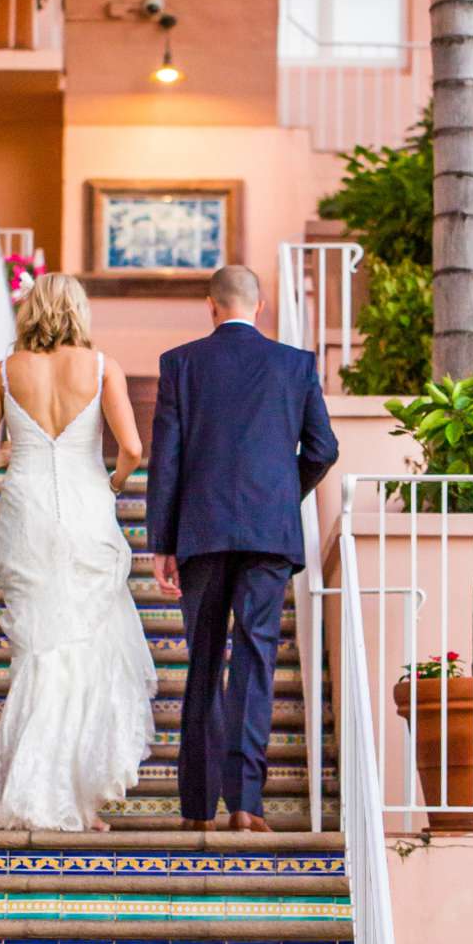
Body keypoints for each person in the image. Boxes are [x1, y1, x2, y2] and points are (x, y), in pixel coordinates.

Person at [0, 272, 155, 833]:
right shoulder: (101, 367)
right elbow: (134, 448)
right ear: (79, 312)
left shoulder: (3, 372)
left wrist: (17, 451)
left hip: (27, 512)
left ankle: (44, 793)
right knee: (83, 648)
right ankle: (72, 797)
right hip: (87, 508)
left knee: (40, 648)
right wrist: (114, 480)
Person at [146, 263, 338, 832]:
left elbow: (168, 459)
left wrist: (162, 540)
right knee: (256, 660)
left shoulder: (180, 364)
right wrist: (282, 494)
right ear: (261, 307)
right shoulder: (296, 365)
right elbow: (323, 449)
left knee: (204, 661)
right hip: (268, 536)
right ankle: (247, 805)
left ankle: (198, 808)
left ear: (210, 305)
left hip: (200, 534)